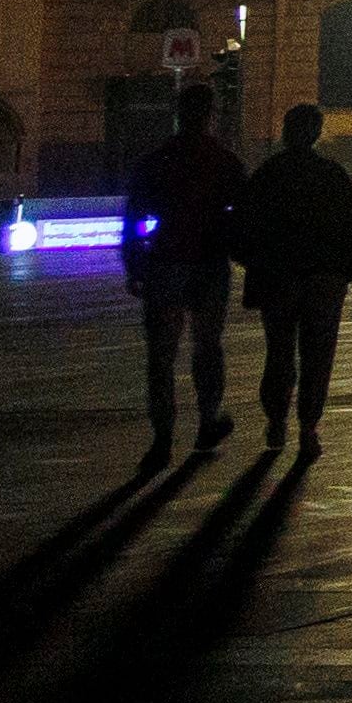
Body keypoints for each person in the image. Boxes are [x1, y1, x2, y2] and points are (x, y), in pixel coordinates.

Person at [235, 102, 352, 459]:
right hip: (324, 281)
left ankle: (276, 422)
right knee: (318, 357)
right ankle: (308, 428)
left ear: (286, 132)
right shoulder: (332, 175)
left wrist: (254, 266)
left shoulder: (268, 174)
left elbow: (242, 228)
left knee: (279, 353)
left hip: (279, 280)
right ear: (316, 134)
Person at [122, 81, 248, 464]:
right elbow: (243, 217)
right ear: (211, 117)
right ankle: (207, 421)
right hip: (209, 264)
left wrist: (134, 264)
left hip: (165, 263)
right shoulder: (226, 162)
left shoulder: (157, 160)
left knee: (161, 356)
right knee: (207, 347)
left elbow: (133, 217)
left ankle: (162, 440)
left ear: (178, 115)